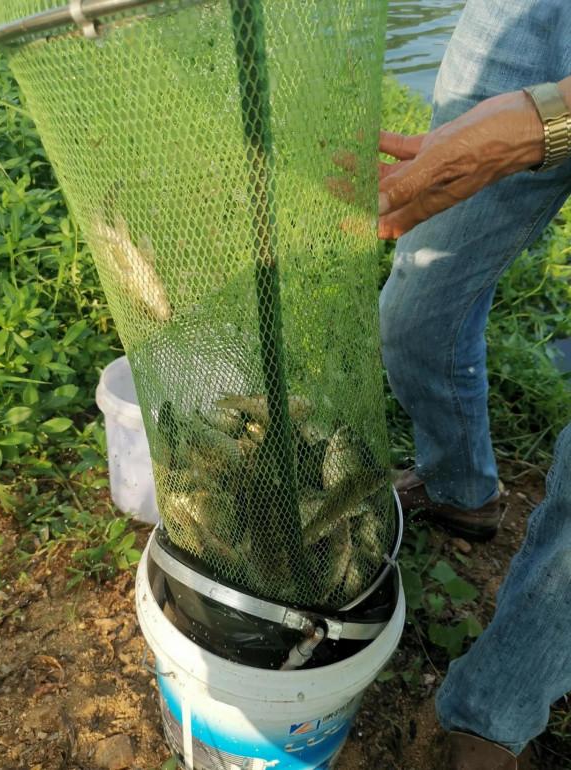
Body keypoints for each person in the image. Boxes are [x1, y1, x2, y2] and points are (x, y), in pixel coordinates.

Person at [333, 1, 571, 768]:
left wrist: (544, 123)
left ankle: (494, 714)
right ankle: (462, 489)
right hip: (532, 18)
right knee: (416, 314)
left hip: (544, 108)